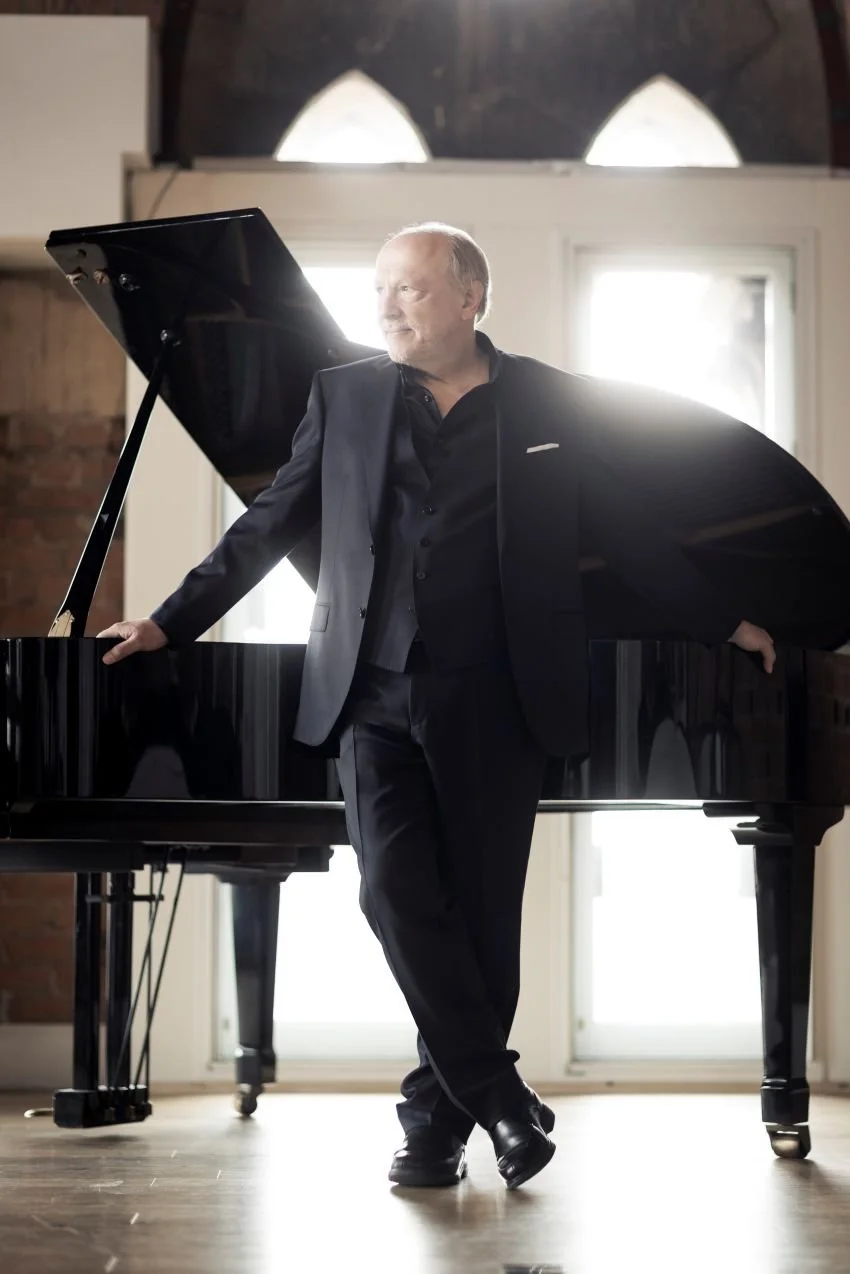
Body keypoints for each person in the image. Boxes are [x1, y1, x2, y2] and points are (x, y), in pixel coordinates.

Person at [97, 223, 775, 1191]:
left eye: (409, 288)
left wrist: (723, 619)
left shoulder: (545, 400)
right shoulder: (346, 394)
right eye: (380, 288)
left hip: (501, 696)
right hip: (370, 692)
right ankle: (500, 1098)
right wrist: (171, 620)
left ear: (470, 297)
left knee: (485, 921)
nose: (386, 305)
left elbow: (624, 526)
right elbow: (269, 518)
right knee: (392, 892)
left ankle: (433, 1127)